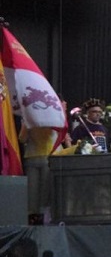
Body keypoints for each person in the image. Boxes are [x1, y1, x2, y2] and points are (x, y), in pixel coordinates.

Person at [19, 96, 71, 225]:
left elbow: (22, 139)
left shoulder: (30, 117)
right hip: (49, 157)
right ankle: (44, 220)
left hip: (34, 156)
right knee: (44, 194)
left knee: (33, 193)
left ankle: (34, 220)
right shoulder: (57, 118)